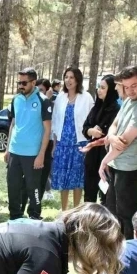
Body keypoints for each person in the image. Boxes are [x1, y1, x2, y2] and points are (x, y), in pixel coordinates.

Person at [99, 65, 137, 239]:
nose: (130, 90)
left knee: (126, 215)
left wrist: (104, 161)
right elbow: (115, 125)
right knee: (112, 211)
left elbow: (123, 142)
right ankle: (114, 250)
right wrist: (110, 136)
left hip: (130, 167)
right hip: (116, 163)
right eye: (126, 87)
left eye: (134, 85)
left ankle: (129, 253)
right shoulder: (128, 100)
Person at [6, 67, 53, 221]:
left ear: (33, 82)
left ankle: (34, 215)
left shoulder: (43, 101)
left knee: (33, 188)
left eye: (24, 83)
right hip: (15, 151)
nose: (21, 85)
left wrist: (41, 154)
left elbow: (47, 130)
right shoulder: (16, 99)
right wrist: (7, 149)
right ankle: (15, 216)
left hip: (33, 154)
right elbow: (13, 124)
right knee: (13, 187)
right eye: (19, 82)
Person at [50, 67, 94, 211]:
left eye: (71, 77)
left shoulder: (86, 97)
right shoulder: (61, 97)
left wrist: (90, 144)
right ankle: (64, 211)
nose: (68, 80)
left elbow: (91, 121)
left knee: (77, 178)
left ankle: (76, 211)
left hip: (80, 142)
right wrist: (55, 144)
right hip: (63, 143)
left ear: (77, 80)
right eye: (66, 77)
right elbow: (55, 121)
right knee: (64, 178)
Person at [82, 75, 120, 203]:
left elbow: (114, 131)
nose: (99, 90)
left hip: (107, 154)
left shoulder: (116, 109)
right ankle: (88, 219)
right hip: (92, 154)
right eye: (99, 87)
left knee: (106, 193)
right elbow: (85, 126)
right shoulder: (96, 107)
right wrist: (90, 131)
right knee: (89, 190)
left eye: (103, 88)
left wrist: (101, 133)